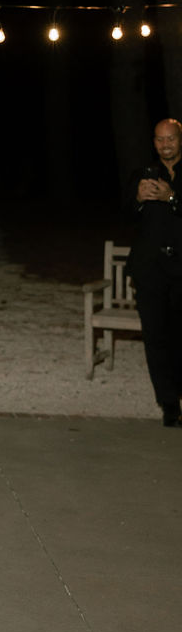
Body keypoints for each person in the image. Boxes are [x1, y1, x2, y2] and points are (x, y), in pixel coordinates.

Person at [126, 117, 182, 427]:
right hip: (150, 271)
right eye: (160, 139)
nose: (165, 144)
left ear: (180, 140)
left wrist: (172, 198)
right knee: (156, 338)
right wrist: (137, 199)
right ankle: (169, 404)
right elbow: (125, 216)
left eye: (170, 138)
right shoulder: (143, 175)